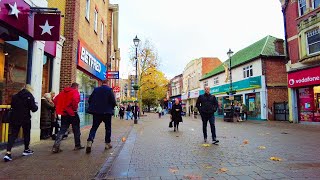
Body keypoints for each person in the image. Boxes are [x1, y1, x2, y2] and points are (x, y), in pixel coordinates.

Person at [3, 84, 38, 162]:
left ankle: (8, 153)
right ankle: (26, 149)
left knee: (13, 134)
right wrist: (36, 105)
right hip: (25, 118)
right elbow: (34, 109)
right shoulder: (29, 96)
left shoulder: (15, 96)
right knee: (26, 133)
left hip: (15, 118)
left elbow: (12, 105)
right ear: (30, 89)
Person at [52, 83, 84, 153]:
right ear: (76, 87)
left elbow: (55, 100)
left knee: (62, 129)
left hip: (64, 113)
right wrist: (74, 109)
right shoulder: (75, 92)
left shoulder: (63, 92)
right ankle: (77, 145)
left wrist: (62, 107)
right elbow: (75, 101)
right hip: (73, 113)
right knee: (76, 129)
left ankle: (56, 146)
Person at [86, 80, 116, 153]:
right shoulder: (109, 90)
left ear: (102, 83)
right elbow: (113, 101)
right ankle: (107, 143)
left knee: (94, 128)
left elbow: (90, 100)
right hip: (107, 113)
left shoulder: (96, 89)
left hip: (97, 113)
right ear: (107, 83)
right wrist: (112, 107)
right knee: (108, 128)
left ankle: (90, 141)